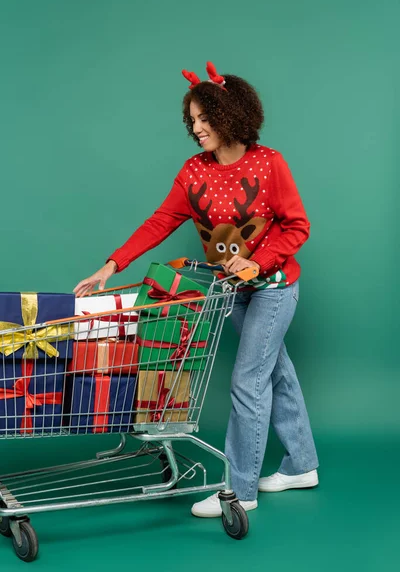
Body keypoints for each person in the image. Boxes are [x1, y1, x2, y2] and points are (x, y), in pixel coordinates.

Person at [74, 61, 319, 518]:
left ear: (230, 115)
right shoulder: (194, 172)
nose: (197, 127)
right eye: (192, 120)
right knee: (276, 373)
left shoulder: (269, 165)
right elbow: (161, 221)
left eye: (205, 118)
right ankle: (302, 464)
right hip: (231, 292)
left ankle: (239, 491)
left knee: (248, 381)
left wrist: (258, 261)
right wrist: (112, 264)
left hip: (274, 287)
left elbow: (297, 226)